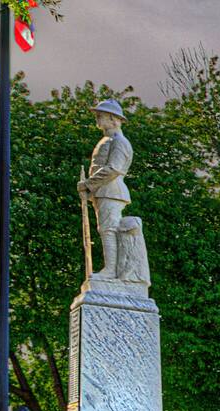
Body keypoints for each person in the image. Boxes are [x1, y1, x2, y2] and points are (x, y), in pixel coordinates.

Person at [78, 99, 133, 280]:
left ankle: (111, 270)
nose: (97, 119)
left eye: (101, 116)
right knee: (105, 229)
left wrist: (88, 184)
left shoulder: (120, 141)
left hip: (112, 191)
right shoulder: (108, 140)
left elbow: (113, 169)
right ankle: (110, 269)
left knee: (109, 229)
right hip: (103, 192)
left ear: (113, 119)